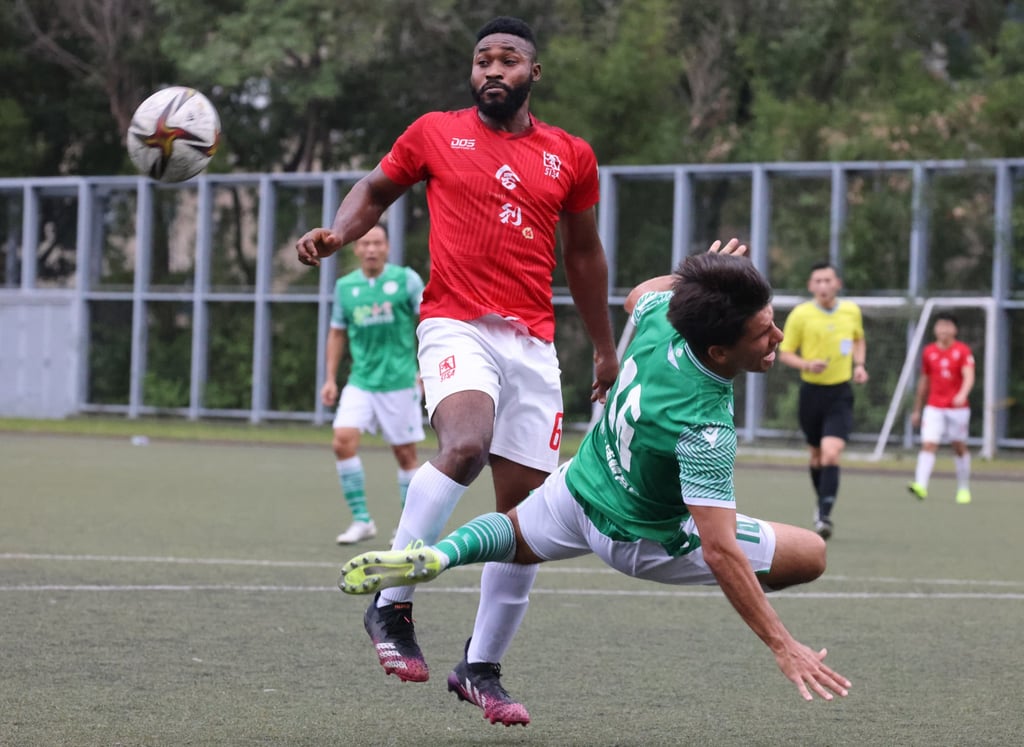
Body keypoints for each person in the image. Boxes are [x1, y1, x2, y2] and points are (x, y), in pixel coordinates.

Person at [338, 244, 852, 721]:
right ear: (718, 351)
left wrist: (696, 282)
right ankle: (464, 627)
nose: (778, 338)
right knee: (810, 555)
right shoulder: (704, 426)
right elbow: (719, 553)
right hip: (640, 540)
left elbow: (638, 296)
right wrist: (784, 645)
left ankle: (439, 559)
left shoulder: (661, 319)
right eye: (763, 333)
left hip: (579, 486)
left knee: (515, 538)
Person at [296, 16, 618, 725]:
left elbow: (586, 255)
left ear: (534, 73)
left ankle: (480, 667)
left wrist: (603, 346)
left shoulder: (570, 154)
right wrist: (339, 230)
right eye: (482, 61)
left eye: (508, 60)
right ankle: (392, 601)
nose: (492, 71)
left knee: (524, 521)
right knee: (466, 442)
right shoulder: (435, 132)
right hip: (455, 322)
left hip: (534, 344)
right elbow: (375, 190)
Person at [321, 223, 425, 544]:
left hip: (400, 381)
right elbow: (337, 333)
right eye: (365, 243)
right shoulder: (345, 287)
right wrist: (329, 379)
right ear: (355, 249)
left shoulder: (406, 280)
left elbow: (428, 322)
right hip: (361, 381)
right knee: (342, 440)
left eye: (377, 243)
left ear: (387, 247)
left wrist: (425, 368)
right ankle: (362, 521)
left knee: (405, 455)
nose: (371, 249)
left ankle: (409, 527)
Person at [777, 261, 868, 540]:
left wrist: (860, 364)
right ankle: (821, 505)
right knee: (816, 457)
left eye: (828, 280)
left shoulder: (851, 310)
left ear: (837, 284)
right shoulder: (801, 314)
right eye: (818, 281)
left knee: (831, 453)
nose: (824, 286)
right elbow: (785, 352)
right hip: (811, 394)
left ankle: (825, 514)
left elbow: (858, 339)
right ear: (810, 286)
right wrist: (806, 363)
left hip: (840, 393)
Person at [907, 311, 975, 504]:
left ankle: (963, 487)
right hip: (934, 407)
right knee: (928, 444)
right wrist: (917, 409)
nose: (943, 329)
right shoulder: (929, 351)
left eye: (947, 325)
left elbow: (969, 375)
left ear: (955, 329)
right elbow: (924, 381)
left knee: (958, 446)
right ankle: (921, 485)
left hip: (958, 409)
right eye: (940, 325)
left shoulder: (962, 351)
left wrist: (962, 394)